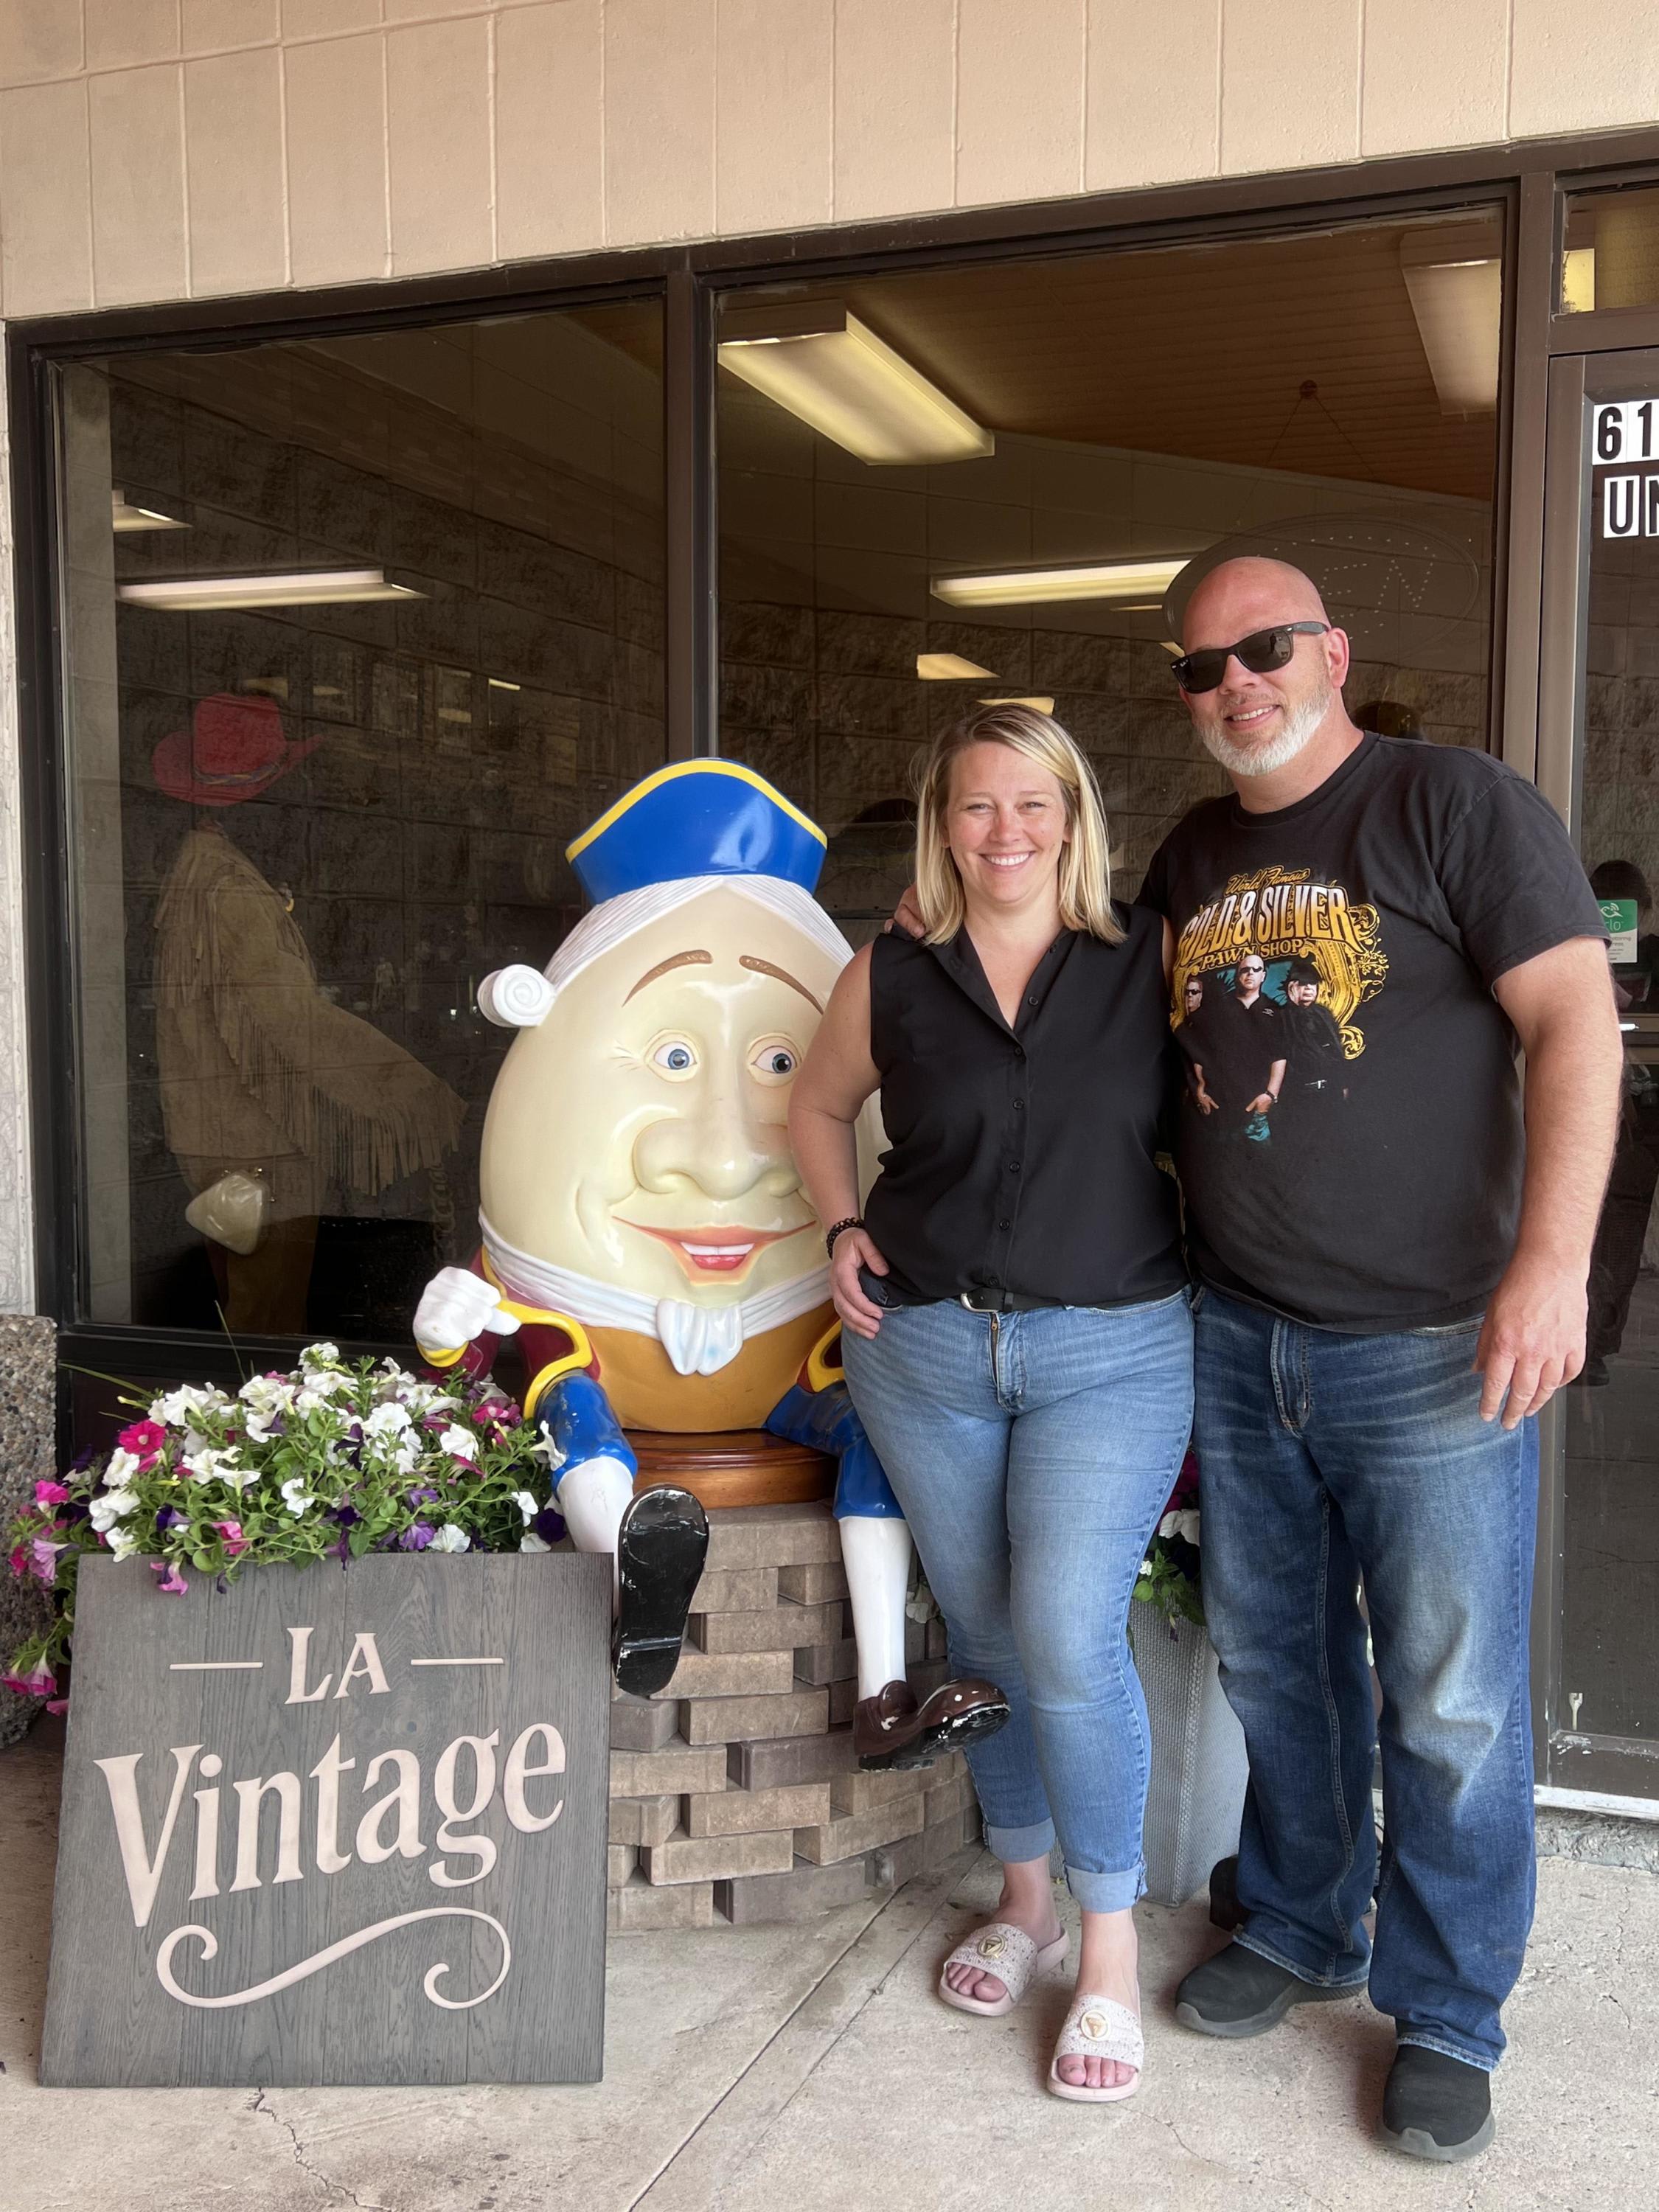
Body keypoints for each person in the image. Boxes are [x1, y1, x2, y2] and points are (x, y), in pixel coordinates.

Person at [1141, 555, 1621, 2163]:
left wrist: (1550, 1271)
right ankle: (1297, 1920)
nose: (1234, 685)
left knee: (1452, 1699)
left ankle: (1447, 2007)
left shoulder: (1454, 804)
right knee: (1279, 1661)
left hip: (1435, 1347)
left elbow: (1575, 1027)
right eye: (1200, 667)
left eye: (1263, 650)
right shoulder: (1194, 853)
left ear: (1332, 652)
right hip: (1239, 1329)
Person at [411, 758, 1009, 1759]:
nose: (728, 1156)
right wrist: (441, 1335)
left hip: (788, 1371)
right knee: (566, 1399)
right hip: (606, 1368)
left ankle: (883, 1688)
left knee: (881, 1428)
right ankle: (626, 1572)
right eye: (672, 1057)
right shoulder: (546, 1294)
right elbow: (470, 1351)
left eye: (780, 1060)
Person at [791, 704, 1193, 2104]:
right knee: (982, 1633)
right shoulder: (892, 970)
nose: (1006, 833)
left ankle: (1107, 1952)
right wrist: (842, 1226)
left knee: (1071, 1634)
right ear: (939, 823)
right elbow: (817, 1109)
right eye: (977, 807)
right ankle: (1019, 1899)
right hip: (928, 1349)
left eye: (1033, 805)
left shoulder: (1148, 958)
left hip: (1115, 1350)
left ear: (1075, 817)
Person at [1582, 860, 1659, 1381]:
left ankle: (1597, 1347)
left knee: (1619, 1232)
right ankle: (1593, 1349)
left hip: (1640, 1117)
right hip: (1617, 1120)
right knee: (1613, 1234)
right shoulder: (1580, 956)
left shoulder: (1655, 957)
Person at [1272, 957, 1349, 1136]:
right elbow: (1293, 1051)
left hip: (1330, 1095)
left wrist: (1343, 1085)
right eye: (1303, 984)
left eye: (1312, 984)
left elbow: (1337, 1052)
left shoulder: (1324, 1014)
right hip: (1298, 1099)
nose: (1308, 989)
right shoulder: (1281, 1017)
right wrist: (1294, 1008)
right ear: (1291, 988)